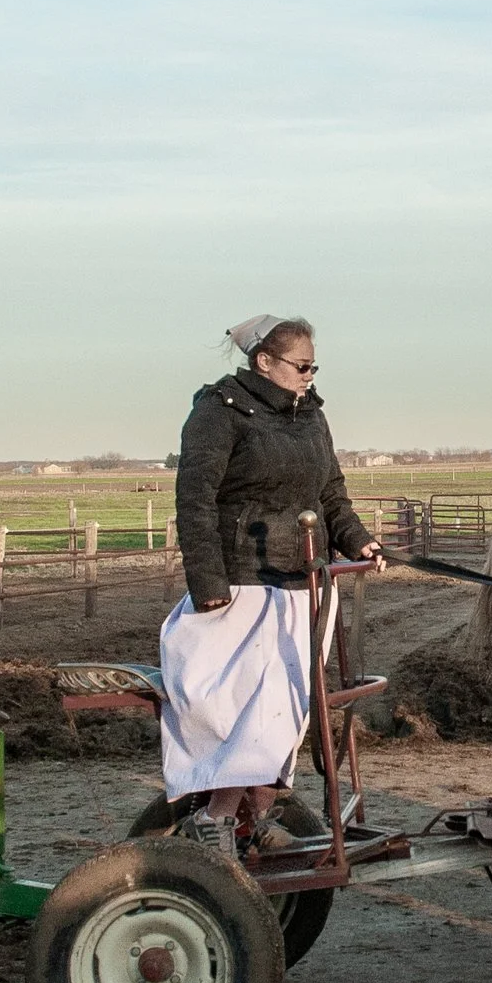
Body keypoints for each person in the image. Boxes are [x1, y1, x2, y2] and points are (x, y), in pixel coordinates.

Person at [163, 313, 384, 864]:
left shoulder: (310, 416)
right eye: (301, 365)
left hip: (304, 585)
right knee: (243, 709)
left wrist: (358, 542)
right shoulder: (218, 412)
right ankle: (214, 818)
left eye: (314, 366)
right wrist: (209, 585)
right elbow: (195, 501)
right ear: (264, 361)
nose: (310, 375)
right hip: (241, 586)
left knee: (288, 709)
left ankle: (258, 817)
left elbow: (331, 492)